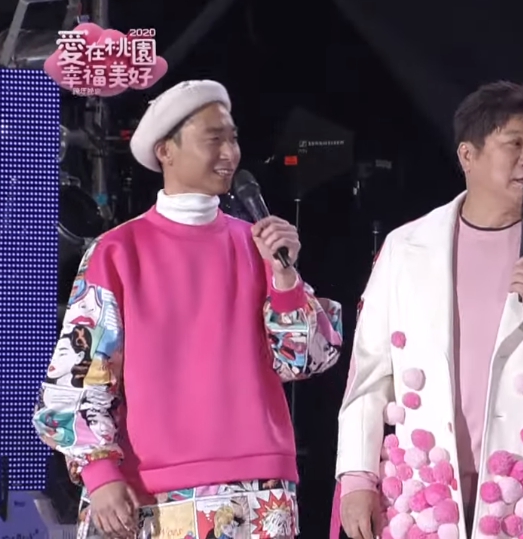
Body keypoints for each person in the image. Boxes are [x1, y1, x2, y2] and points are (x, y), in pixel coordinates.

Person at [32, 80, 343, 539]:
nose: (230, 153)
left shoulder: (258, 244)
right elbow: (80, 375)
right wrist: (100, 474)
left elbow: (304, 360)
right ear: (166, 151)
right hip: (151, 493)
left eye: (233, 138)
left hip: (259, 491)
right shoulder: (117, 252)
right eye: (214, 139)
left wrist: (284, 278)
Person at [333, 81, 523, 539]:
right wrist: (357, 476)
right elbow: (370, 375)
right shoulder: (406, 247)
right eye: (513, 144)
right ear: (467, 156)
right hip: (428, 500)